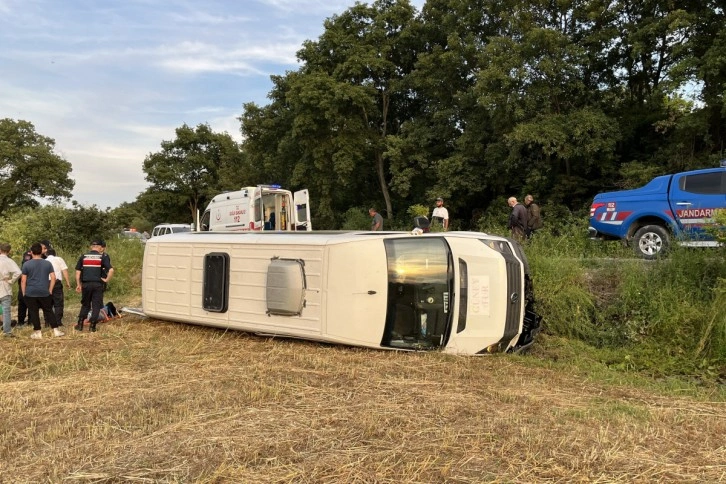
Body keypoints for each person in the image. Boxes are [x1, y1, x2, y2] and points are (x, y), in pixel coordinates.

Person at [21, 242, 63, 339]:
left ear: (31, 252)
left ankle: (37, 332)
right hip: (44, 291)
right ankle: (56, 330)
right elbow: (53, 278)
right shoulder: (47, 263)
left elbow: (23, 280)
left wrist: (24, 292)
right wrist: (50, 289)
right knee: (48, 310)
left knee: (33, 312)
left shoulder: (27, 264)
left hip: (30, 292)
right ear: (42, 252)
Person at [75, 240, 113, 332]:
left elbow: (77, 272)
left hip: (86, 284)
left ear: (91, 247)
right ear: (100, 247)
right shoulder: (102, 257)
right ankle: (92, 326)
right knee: (96, 306)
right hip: (98, 284)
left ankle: (80, 324)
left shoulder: (83, 257)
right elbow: (111, 270)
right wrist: (107, 279)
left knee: (85, 305)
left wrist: (78, 284)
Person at [45, 248, 72, 328]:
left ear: (46, 254)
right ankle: (58, 322)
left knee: (47, 303)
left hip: (46, 283)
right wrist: (68, 282)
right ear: (55, 254)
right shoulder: (59, 259)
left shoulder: (44, 261)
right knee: (58, 303)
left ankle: (47, 322)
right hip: (56, 282)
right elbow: (64, 271)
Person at [0, 243, 22, 337]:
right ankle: (7, 331)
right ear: (9, 251)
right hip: (4, 285)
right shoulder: (9, 261)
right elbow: (18, 272)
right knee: (6, 310)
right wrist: (11, 281)